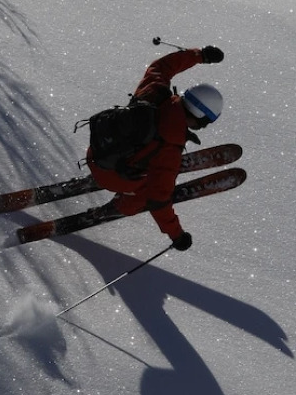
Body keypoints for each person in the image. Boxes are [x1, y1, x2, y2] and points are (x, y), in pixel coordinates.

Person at [86, 46, 225, 251]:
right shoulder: (170, 148)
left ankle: (103, 174)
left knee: (138, 158)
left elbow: (161, 66)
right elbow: (158, 200)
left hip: (95, 152)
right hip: (111, 176)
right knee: (145, 194)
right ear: (199, 118)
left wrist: (200, 55)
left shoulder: (155, 93)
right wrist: (177, 235)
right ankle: (111, 209)